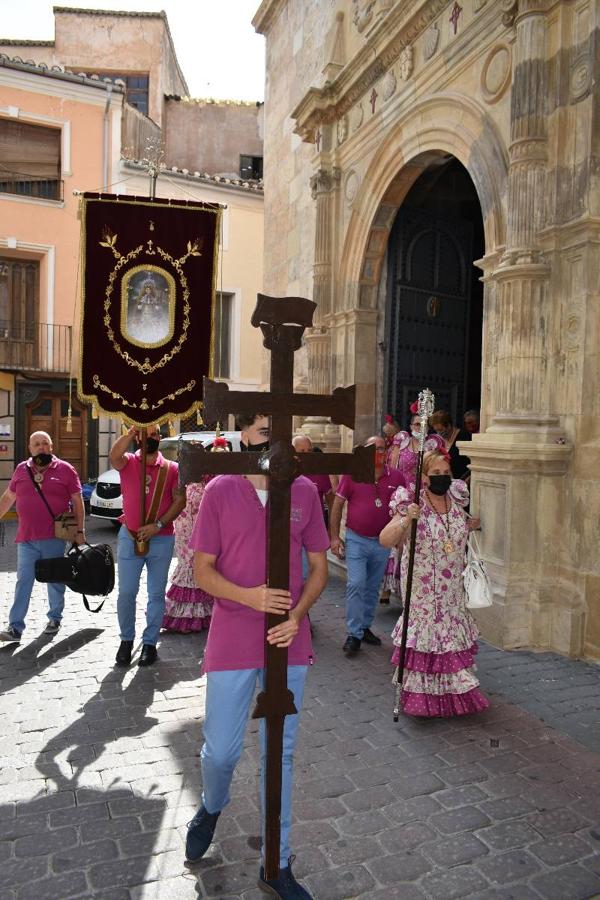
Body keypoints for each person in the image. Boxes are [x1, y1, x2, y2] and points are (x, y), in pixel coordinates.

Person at [185, 413, 329, 900]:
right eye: (265, 430)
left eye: (281, 431)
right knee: (222, 751)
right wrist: (251, 597)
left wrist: (297, 614)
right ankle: (211, 804)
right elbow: (202, 571)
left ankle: (277, 863)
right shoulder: (221, 489)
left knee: (280, 752)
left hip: (289, 639)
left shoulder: (305, 490)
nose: (274, 440)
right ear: (244, 434)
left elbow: (318, 568)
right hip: (233, 634)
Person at [379, 448, 489, 717]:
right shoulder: (412, 501)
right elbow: (386, 539)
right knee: (428, 637)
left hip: (451, 589)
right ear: (424, 477)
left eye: (445, 473)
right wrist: (407, 518)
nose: (442, 477)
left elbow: (466, 525)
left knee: (449, 635)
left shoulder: (456, 499)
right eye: (435, 473)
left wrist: (476, 525)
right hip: (422, 588)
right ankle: (422, 699)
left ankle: (453, 694)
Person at [110, 424, 186, 667]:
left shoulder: (171, 468)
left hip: (161, 538)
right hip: (129, 536)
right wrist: (132, 433)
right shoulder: (129, 462)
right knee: (126, 593)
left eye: (154, 434)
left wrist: (159, 524)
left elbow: (180, 500)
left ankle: (150, 643)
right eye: (146, 434)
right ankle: (126, 640)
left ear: (160, 438)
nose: (150, 438)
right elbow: (114, 456)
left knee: (155, 594)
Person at [0, 431, 85, 644]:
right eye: (37, 444)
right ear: (30, 448)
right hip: (26, 538)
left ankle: (54, 618)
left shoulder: (65, 469)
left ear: (52, 446)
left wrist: (80, 531)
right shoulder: (21, 469)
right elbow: (9, 496)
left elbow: (77, 501)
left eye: (45, 443)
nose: (41, 448)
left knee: (55, 580)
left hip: (54, 537)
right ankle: (15, 627)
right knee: (23, 582)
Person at [330, 435, 404, 654]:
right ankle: (353, 634)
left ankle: (364, 627)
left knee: (372, 587)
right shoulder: (353, 475)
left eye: (382, 448)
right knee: (356, 583)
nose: (378, 452)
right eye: (373, 449)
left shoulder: (397, 477)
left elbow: (406, 506)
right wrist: (334, 537)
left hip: (382, 543)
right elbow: (337, 505)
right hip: (357, 539)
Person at [161, 436, 228, 633]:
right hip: (183, 527)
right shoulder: (179, 475)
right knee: (188, 564)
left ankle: (203, 614)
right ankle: (183, 615)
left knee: (201, 564)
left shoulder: (210, 477)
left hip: (204, 528)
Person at [381, 409, 444, 604]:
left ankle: (411, 587)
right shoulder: (403, 441)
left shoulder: (433, 444)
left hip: (426, 495)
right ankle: (387, 588)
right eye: (417, 424)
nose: (420, 428)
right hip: (404, 493)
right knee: (398, 539)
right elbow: (393, 467)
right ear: (410, 426)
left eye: (424, 424)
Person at [430, 409, 471, 480]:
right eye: (436, 430)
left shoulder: (464, 437)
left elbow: (472, 464)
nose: (438, 433)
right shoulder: (438, 441)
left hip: (462, 482)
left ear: (448, 425)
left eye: (440, 430)